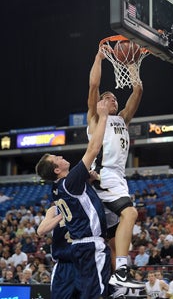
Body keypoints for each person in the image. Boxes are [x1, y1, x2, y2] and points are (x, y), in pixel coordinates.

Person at [35, 100, 111, 299]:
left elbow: (78, 201)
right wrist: (103, 116)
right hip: (89, 245)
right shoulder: (70, 182)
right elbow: (93, 148)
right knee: (98, 295)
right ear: (57, 170)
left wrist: (88, 180)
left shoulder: (57, 189)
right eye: (56, 159)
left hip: (79, 248)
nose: (60, 156)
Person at [87, 45, 144, 288]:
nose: (113, 99)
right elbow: (93, 86)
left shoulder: (122, 118)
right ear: (101, 104)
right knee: (130, 213)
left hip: (118, 178)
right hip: (104, 176)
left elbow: (138, 89)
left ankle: (117, 286)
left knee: (111, 241)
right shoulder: (96, 117)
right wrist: (99, 57)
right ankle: (122, 270)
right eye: (108, 97)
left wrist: (132, 63)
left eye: (114, 98)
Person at [37, 205, 78, 298]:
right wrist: (61, 215)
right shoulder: (55, 210)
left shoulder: (86, 204)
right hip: (64, 263)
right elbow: (41, 231)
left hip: (86, 261)